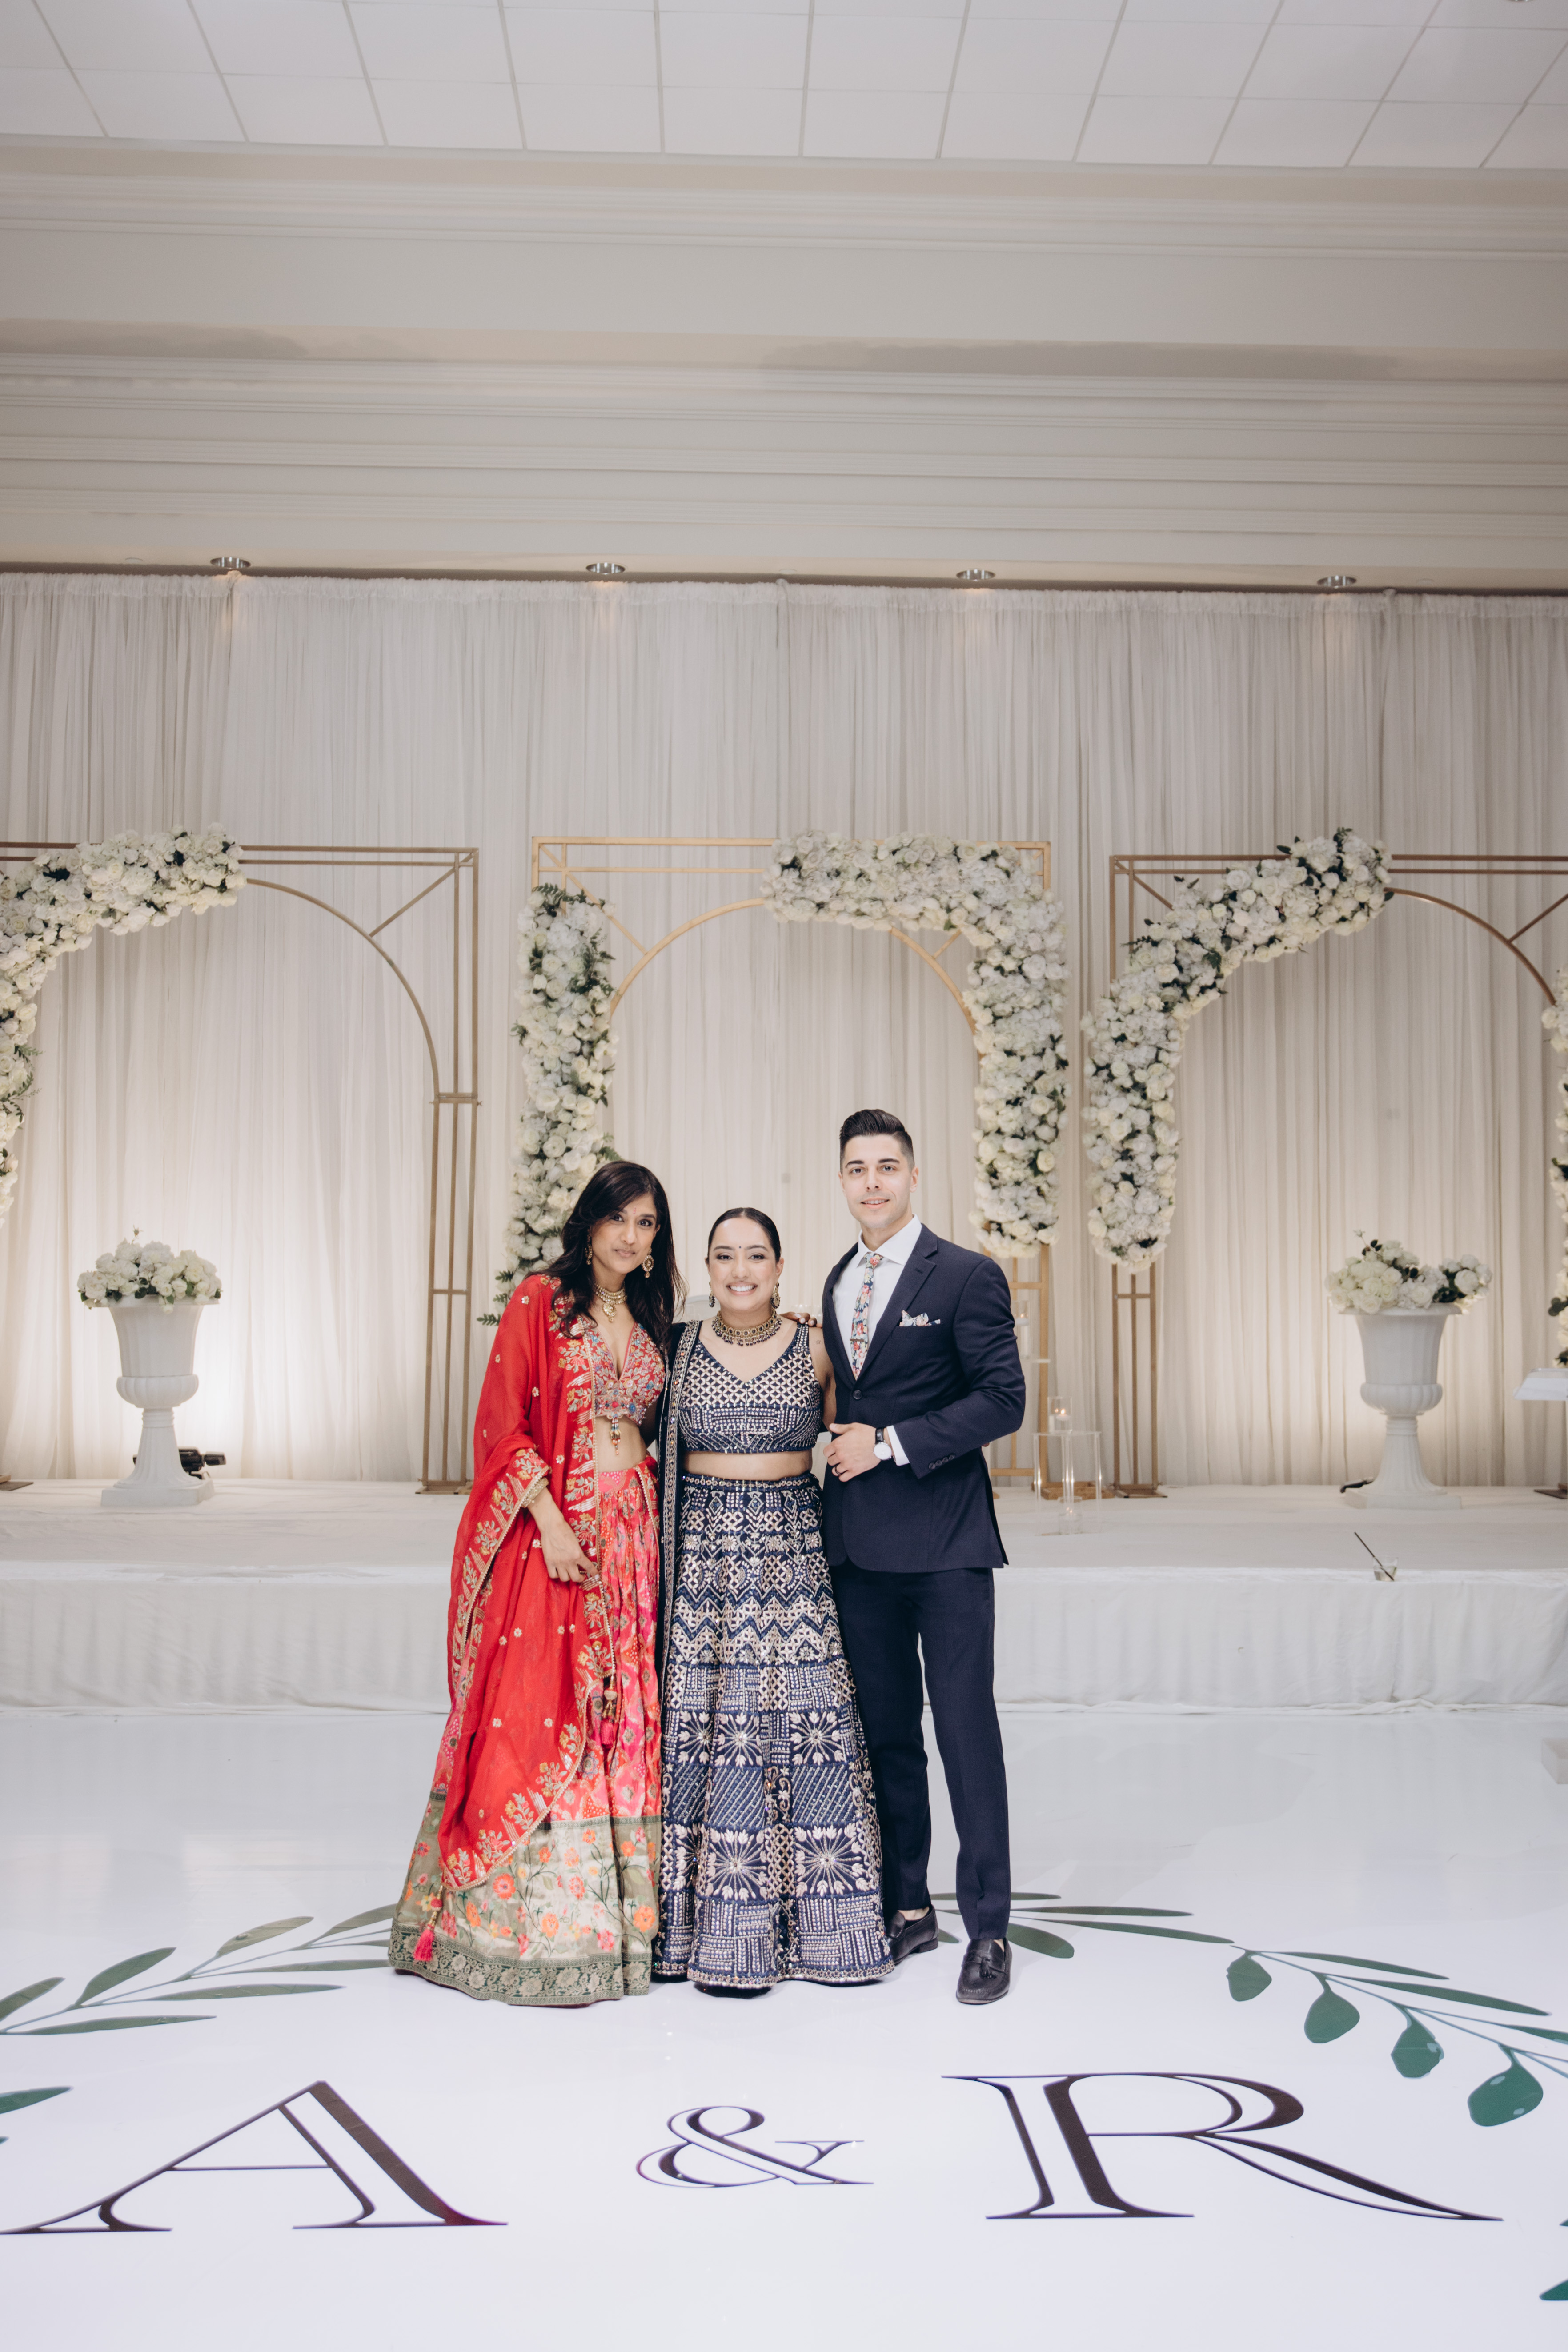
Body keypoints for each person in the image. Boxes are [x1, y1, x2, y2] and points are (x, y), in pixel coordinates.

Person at [389, 1160, 680, 2007]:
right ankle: (533, 1921)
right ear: (589, 1222)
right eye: (620, 1218)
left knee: (623, 1707)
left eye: (648, 1224)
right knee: (549, 1703)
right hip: (559, 1528)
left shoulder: (653, 1315)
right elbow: (502, 1423)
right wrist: (551, 1522)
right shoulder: (542, 1303)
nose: (632, 1236)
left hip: (634, 1532)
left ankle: (626, 1921)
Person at [654, 1207, 892, 1996]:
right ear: (707, 1268)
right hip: (703, 1559)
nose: (740, 1270)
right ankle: (700, 1932)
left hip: (793, 1553)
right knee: (708, 1726)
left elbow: (858, 1433)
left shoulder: (817, 1346)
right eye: (724, 1256)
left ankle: (825, 1931)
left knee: (807, 1725)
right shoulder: (677, 1348)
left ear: (781, 1267)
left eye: (756, 1255)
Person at [820, 1110, 1026, 2007]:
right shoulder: (837, 1281)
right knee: (888, 1736)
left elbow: (1004, 1400)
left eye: (887, 1167)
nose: (872, 1182)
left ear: (913, 1176)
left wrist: (890, 1443)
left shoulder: (968, 1274)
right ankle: (909, 1906)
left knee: (965, 1733)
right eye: (857, 1168)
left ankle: (990, 1927)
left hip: (946, 1546)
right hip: (859, 1550)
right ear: (842, 1180)